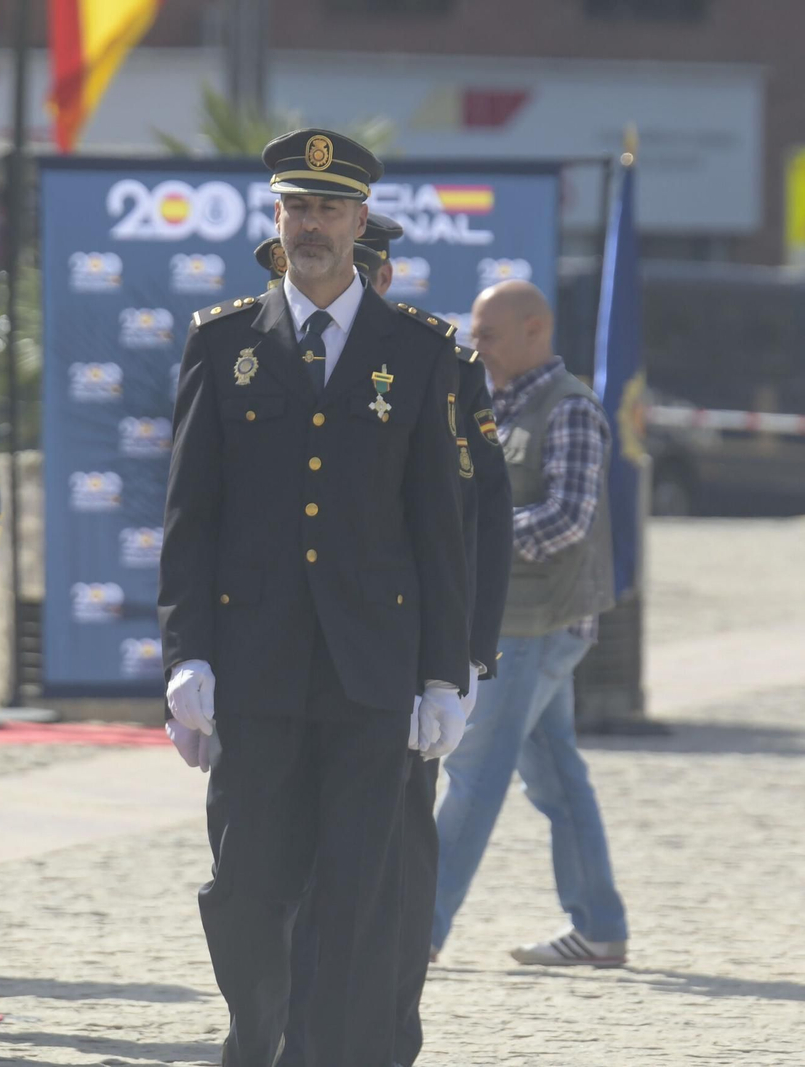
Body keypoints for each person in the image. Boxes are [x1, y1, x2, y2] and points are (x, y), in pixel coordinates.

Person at [159, 129, 470, 1067]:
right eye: (296, 208)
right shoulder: (222, 343)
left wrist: (445, 673)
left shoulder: (418, 351)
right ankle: (259, 1038)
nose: (312, 227)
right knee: (246, 890)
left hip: (371, 673)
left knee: (357, 896)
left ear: (361, 219)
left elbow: (439, 529)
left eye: (329, 209)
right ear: (277, 217)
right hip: (256, 671)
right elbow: (190, 515)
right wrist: (188, 654)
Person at [265, 213, 515, 1067]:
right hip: (309, 664)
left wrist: (466, 661)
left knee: (393, 878)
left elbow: (474, 519)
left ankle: (381, 1041)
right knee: (299, 876)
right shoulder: (275, 362)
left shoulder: (439, 364)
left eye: (371, 275)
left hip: (404, 664)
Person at [434, 279, 629, 967]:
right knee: (554, 776)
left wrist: (473, 532)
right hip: (524, 619)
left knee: (474, 774)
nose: (475, 345)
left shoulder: (568, 408)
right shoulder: (501, 402)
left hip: (536, 624)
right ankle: (600, 926)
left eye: (487, 333)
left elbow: (568, 520)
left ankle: (414, 931)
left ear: (534, 330)